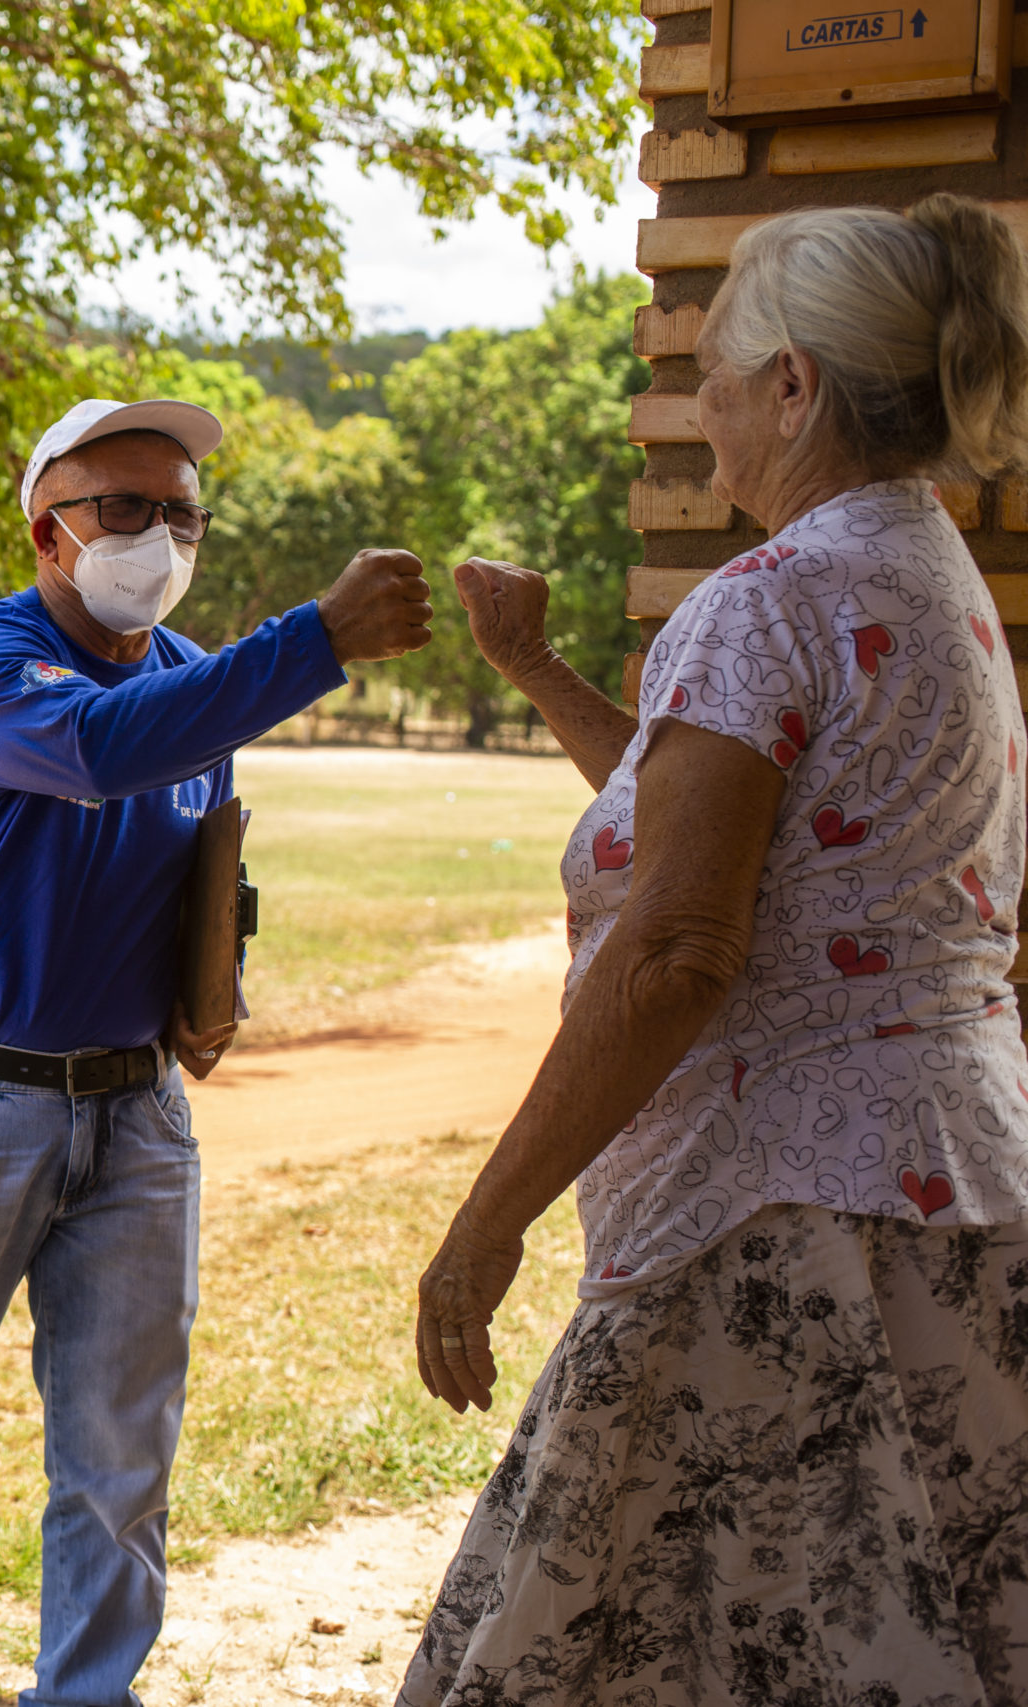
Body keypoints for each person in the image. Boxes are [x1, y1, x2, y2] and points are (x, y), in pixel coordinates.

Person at [402, 193, 1028, 1706]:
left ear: (797, 385)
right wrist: (538, 668)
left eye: (717, 376)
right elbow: (714, 825)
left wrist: (483, 1231)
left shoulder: (765, 600)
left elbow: (683, 940)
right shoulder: (926, 576)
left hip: (769, 1217)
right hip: (953, 1180)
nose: (697, 415)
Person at [0, 396, 433, 1707]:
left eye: (179, 512)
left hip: (132, 1118)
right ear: (49, 533)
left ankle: (88, 1695)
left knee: (122, 1466)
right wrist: (315, 639)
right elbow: (98, 756)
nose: (157, 533)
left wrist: (211, 986)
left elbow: (189, 860)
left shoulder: (190, 676)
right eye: (123, 508)